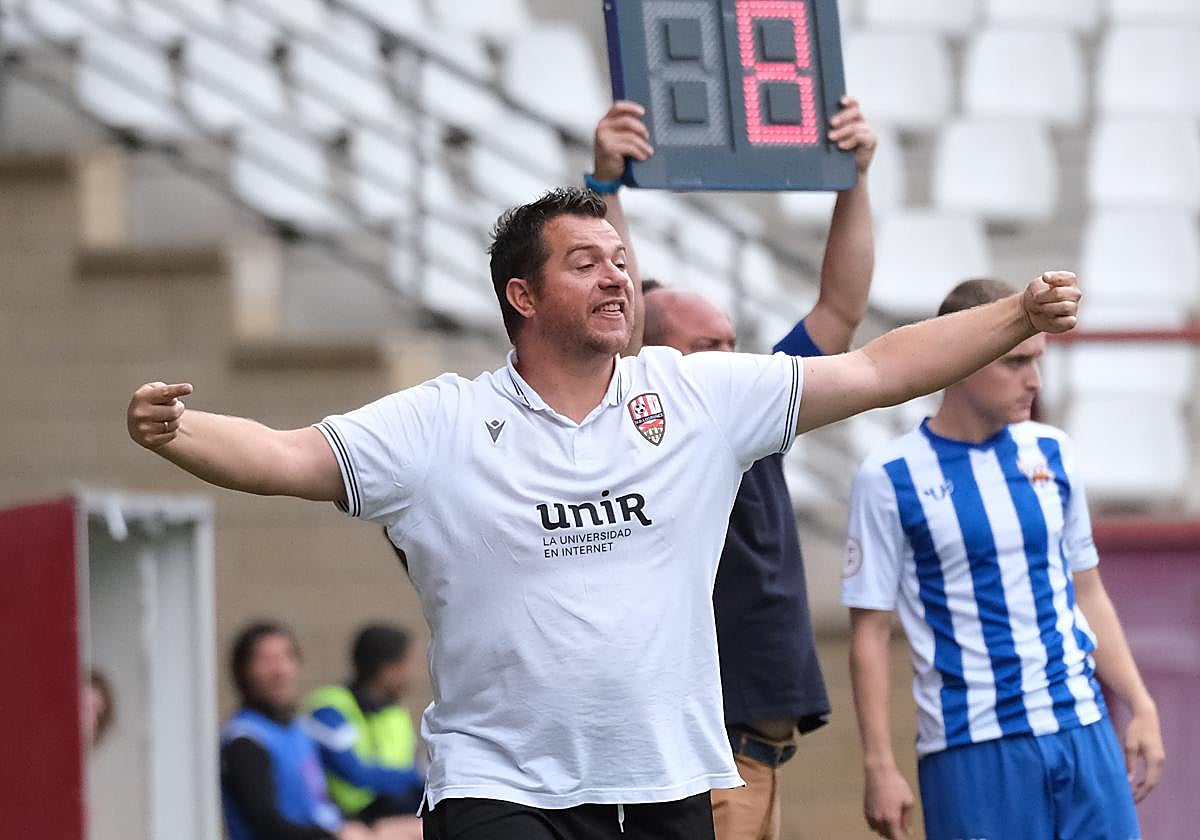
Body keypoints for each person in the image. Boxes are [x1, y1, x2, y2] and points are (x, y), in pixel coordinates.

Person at [127, 183, 1082, 840]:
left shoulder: (697, 394)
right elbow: (289, 455)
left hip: (668, 783)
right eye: (585, 263)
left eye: (621, 261)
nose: (616, 277)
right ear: (522, 295)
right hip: (499, 791)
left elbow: (875, 369)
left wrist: (1017, 316)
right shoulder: (442, 422)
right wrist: (178, 431)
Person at [591, 97, 876, 840]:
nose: (730, 357)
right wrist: (606, 188)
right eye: (706, 346)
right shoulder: (645, 430)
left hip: (757, 756)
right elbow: (622, 330)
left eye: (730, 341)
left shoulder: (753, 409)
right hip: (710, 758)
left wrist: (855, 180)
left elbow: (840, 308)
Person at [841, 278, 1165, 840]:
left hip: (1082, 725)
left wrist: (1139, 702)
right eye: (1015, 361)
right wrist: (879, 763)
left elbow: (1086, 590)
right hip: (973, 748)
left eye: (1038, 360)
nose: (1034, 381)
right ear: (962, 358)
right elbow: (869, 632)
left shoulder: (1053, 450)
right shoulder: (889, 477)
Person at [220, 621, 422, 840]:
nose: (280, 670)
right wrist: (336, 835)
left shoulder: (297, 730)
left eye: (287, 657)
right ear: (243, 671)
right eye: (267, 660)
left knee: (424, 828)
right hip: (317, 836)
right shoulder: (246, 739)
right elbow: (267, 824)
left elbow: (318, 803)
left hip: (335, 827)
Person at [304, 624, 424, 823]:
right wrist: (416, 777)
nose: (412, 674)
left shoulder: (396, 714)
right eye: (407, 663)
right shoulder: (330, 708)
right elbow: (355, 773)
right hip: (348, 820)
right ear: (387, 669)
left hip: (398, 816)